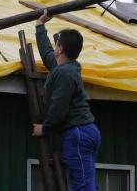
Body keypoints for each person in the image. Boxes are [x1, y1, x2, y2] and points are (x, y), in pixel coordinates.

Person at [32, 10, 101, 191]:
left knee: (83, 187)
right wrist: (40, 26)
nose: (54, 48)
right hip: (83, 132)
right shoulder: (65, 68)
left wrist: (44, 128)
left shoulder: (65, 74)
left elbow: (58, 108)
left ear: (61, 48)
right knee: (86, 184)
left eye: (57, 45)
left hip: (78, 133)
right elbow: (47, 54)